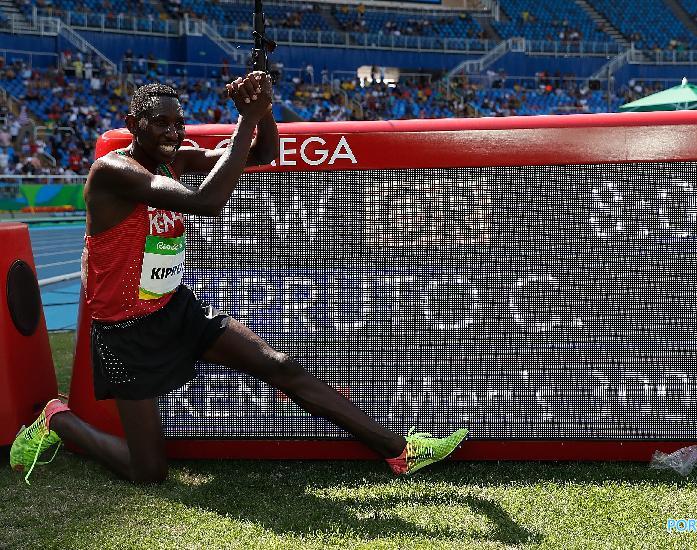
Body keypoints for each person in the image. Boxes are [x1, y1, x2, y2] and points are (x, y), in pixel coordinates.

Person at [10, 72, 467, 484]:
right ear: (134, 124)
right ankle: (57, 419)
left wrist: (262, 109)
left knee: (280, 365)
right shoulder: (114, 171)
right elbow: (206, 202)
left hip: (173, 306)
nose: (173, 133)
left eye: (178, 123)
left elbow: (263, 152)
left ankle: (400, 451)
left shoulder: (176, 156)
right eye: (160, 124)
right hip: (126, 329)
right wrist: (246, 117)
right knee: (148, 471)